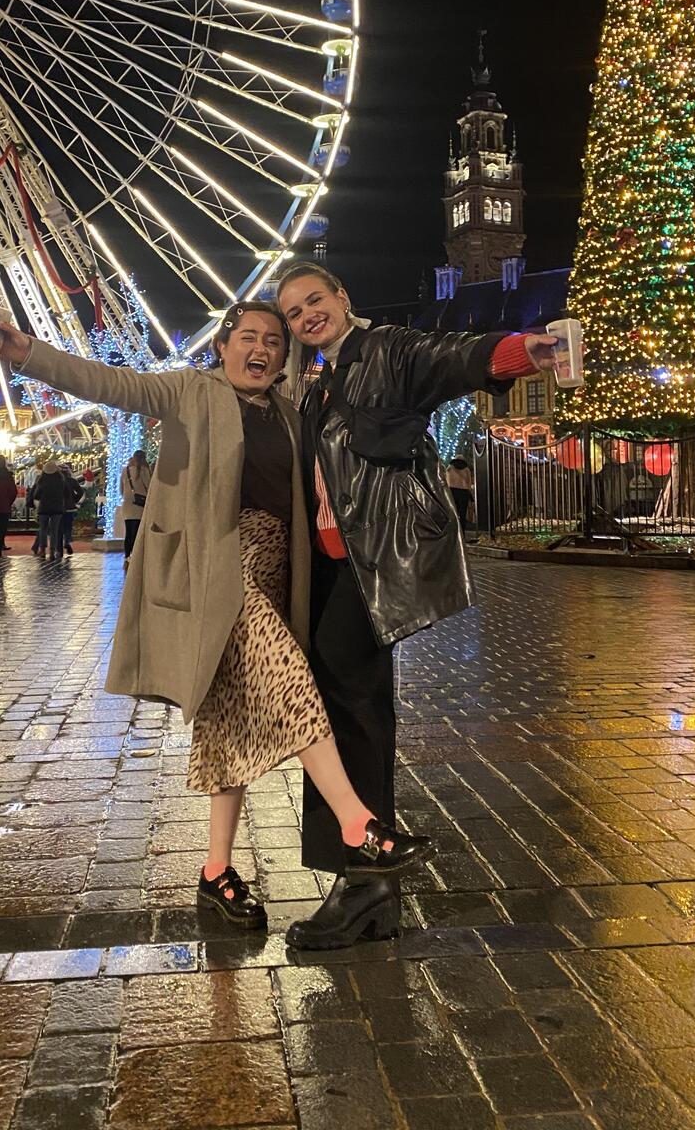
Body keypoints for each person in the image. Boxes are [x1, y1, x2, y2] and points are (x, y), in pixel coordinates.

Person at [0, 303, 431, 930]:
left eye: (273, 342)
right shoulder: (189, 390)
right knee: (290, 683)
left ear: (284, 357)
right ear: (223, 347)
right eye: (247, 338)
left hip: (277, 571)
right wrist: (25, 353)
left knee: (227, 723)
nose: (261, 349)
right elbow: (109, 382)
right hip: (217, 572)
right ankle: (359, 825)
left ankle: (215, 873)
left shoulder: (289, 412)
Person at [276, 263, 558, 949]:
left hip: (377, 560)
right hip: (337, 566)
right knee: (346, 705)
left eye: (316, 300)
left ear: (344, 298)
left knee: (346, 697)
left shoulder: (388, 351)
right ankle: (365, 873)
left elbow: (452, 358)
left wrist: (521, 351)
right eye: (293, 312)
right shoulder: (320, 386)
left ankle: (366, 876)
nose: (307, 315)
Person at [119, 450, 151, 569]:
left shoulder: (125, 470)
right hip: (140, 504)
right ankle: (136, 556)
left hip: (127, 503)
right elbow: (149, 487)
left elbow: (121, 490)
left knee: (128, 531)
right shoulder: (144, 470)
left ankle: (127, 556)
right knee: (137, 531)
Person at [31, 459, 68, 562]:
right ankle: (53, 550)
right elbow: (66, 494)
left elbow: (36, 495)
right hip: (57, 508)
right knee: (54, 530)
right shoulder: (61, 480)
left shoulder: (42, 480)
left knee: (43, 529)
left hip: (44, 508)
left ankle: (42, 549)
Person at [445, 458, 475, 532]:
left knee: (453, 513)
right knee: (463, 514)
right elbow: (469, 483)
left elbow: (445, 479)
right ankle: (462, 532)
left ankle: (453, 532)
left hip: (452, 491)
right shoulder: (466, 469)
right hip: (463, 492)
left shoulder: (449, 468)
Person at [60, 462, 82, 556]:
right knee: (68, 526)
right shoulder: (72, 481)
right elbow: (80, 492)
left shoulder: (58, 481)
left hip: (59, 507)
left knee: (59, 527)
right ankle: (67, 541)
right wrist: (74, 500)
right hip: (70, 507)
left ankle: (59, 547)